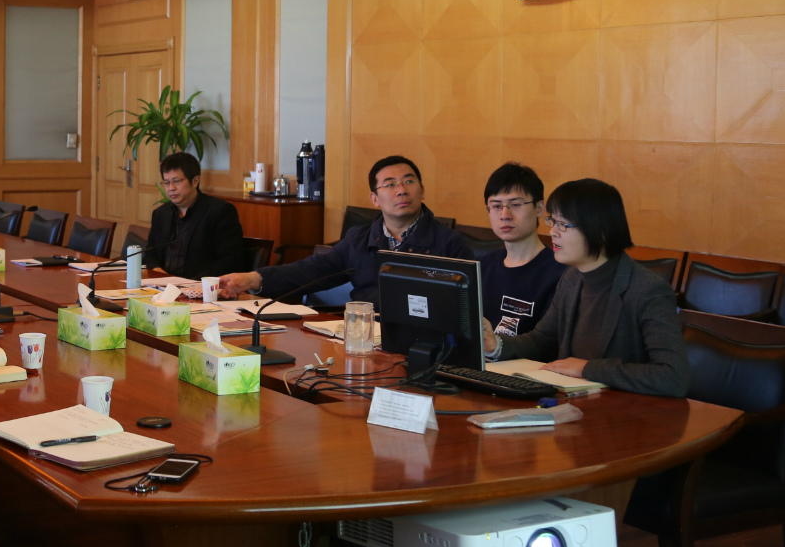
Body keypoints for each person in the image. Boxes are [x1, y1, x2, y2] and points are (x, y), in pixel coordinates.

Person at [481, 178, 689, 397]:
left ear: (600, 231)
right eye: (553, 222)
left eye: (563, 225)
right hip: (576, 403)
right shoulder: (572, 278)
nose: (553, 232)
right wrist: (496, 345)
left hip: (626, 410)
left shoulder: (648, 290)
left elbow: (673, 377)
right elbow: (542, 340)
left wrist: (588, 368)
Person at [218, 155, 470, 305]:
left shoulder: (449, 244)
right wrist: (253, 279)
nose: (402, 190)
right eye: (390, 184)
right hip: (363, 339)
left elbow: (462, 308)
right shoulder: (359, 240)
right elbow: (311, 272)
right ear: (374, 199)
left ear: (422, 190)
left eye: (409, 181)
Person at [478, 162, 565, 343]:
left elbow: (548, 343)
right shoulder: (481, 267)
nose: (505, 215)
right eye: (496, 206)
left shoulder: (560, 274)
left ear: (539, 208)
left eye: (515, 204)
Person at [145, 151, 248, 279]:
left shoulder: (220, 212)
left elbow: (231, 262)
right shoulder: (161, 214)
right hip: (162, 285)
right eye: (166, 182)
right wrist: (159, 273)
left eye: (176, 181)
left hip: (199, 286)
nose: (171, 188)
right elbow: (150, 254)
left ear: (195, 181)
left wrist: (190, 283)